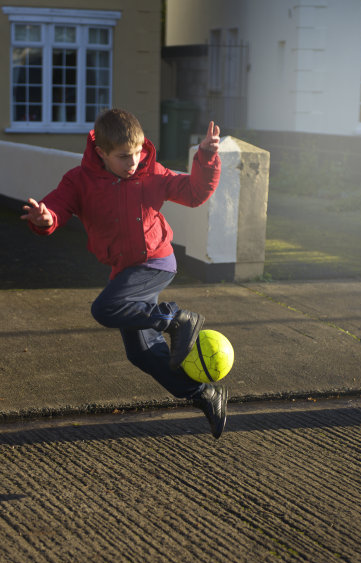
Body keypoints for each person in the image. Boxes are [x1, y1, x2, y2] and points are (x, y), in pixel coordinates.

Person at [21, 108, 227, 439]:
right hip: (125, 271)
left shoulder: (152, 174)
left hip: (155, 262)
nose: (133, 162)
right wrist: (45, 220)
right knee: (142, 352)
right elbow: (56, 207)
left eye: (137, 152)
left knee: (104, 308)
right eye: (123, 157)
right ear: (101, 153)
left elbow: (194, 193)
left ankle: (177, 319)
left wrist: (205, 157)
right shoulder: (79, 180)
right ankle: (204, 394)